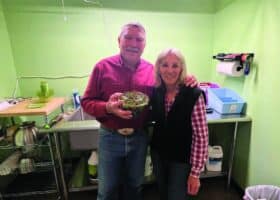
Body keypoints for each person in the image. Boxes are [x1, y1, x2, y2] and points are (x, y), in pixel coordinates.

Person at [81, 22, 197, 200]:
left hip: (139, 137)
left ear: (144, 44)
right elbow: (87, 102)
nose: (133, 43)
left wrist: (187, 79)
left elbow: (170, 85)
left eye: (139, 39)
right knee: (106, 189)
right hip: (110, 137)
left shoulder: (152, 70)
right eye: (128, 37)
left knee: (135, 186)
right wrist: (107, 108)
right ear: (119, 40)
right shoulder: (102, 67)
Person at [150, 48, 209, 200]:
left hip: (181, 160)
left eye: (175, 65)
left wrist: (195, 173)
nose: (170, 70)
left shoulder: (193, 94)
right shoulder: (156, 91)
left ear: (182, 68)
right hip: (159, 155)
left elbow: (201, 137)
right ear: (158, 67)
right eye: (165, 65)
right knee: (163, 194)